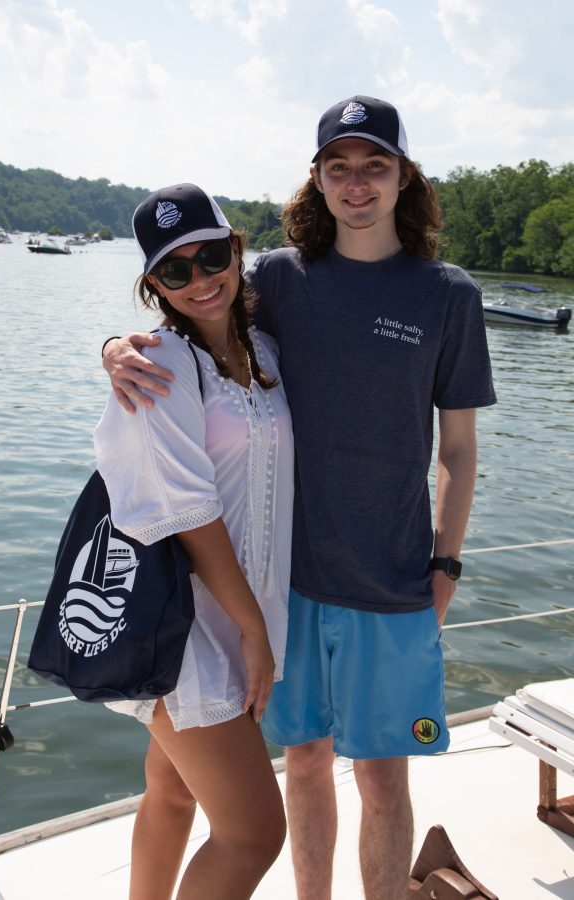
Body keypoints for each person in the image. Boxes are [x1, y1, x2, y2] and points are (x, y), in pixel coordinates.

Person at [102, 97, 496, 900]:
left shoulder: (449, 294)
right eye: (338, 168)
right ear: (316, 179)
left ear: (405, 177)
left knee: (383, 779)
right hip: (285, 588)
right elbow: (193, 321)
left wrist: (446, 563)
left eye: (375, 166)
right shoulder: (280, 278)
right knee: (305, 763)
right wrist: (113, 348)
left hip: (393, 582)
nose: (357, 184)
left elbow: (457, 448)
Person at [95, 182, 294, 899]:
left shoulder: (265, 349)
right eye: (174, 269)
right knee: (253, 835)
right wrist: (253, 631)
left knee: (173, 793)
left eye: (210, 256)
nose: (199, 279)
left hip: (239, 614)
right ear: (154, 284)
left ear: (236, 250)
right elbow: (188, 512)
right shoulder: (165, 364)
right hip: (189, 628)